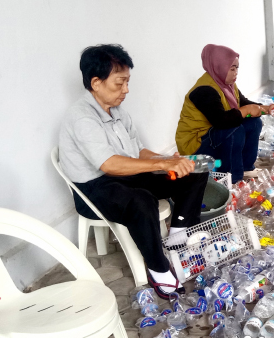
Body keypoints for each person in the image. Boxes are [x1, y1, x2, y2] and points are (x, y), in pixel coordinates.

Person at [59, 44, 207, 298]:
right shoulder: (82, 117)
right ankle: (158, 268)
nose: (126, 90)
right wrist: (161, 164)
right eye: (120, 83)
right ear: (96, 83)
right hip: (95, 188)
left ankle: (178, 238)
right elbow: (109, 164)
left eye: (127, 82)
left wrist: (169, 160)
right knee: (141, 201)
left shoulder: (117, 112)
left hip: (127, 175)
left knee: (195, 169)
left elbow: (138, 151)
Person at [176, 44, 274, 184]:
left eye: (237, 68)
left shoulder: (226, 85)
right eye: (232, 69)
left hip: (212, 135)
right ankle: (233, 179)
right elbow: (221, 121)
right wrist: (247, 110)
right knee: (234, 130)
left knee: (254, 122)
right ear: (219, 67)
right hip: (196, 145)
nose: (235, 72)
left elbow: (242, 102)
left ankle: (246, 168)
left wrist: (266, 109)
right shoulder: (204, 90)